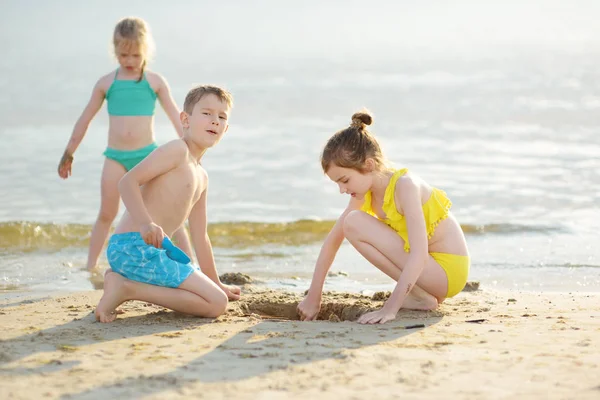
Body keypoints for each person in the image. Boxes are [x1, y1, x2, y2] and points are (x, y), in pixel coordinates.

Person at [297, 110, 470, 324]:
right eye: (338, 184)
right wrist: (314, 296)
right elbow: (333, 241)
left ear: (368, 165)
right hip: (429, 272)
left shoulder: (405, 186)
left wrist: (390, 309)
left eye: (345, 180)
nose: (342, 190)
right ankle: (420, 295)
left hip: (447, 272)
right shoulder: (365, 192)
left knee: (354, 222)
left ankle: (419, 296)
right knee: (350, 224)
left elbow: (419, 254)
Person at [95, 85, 241, 323]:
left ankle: (121, 283)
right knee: (216, 304)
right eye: (206, 113)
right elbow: (127, 182)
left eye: (222, 117)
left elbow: (200, 236)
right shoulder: (177, 151)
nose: (215, 121)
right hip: (132, 247)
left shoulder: (202, 176)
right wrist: (145, 224)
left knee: (214, 295)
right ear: (185, 119)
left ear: (226, 129)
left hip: (153, 253)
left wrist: (216, 282)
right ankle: (127, 288)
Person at [57, 17, 192, 271]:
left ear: (146, 51)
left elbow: (176, 116)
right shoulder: (106, 83)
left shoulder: (155, 82)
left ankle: (189, 263)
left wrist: (189, 151)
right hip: (116, 158)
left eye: (135, 55)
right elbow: (85, 119)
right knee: (106, 214)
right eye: (123, 55)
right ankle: (90, 267)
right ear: (115, 51)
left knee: (169, 214)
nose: (129, 61)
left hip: (149, 158)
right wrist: (69, 152)